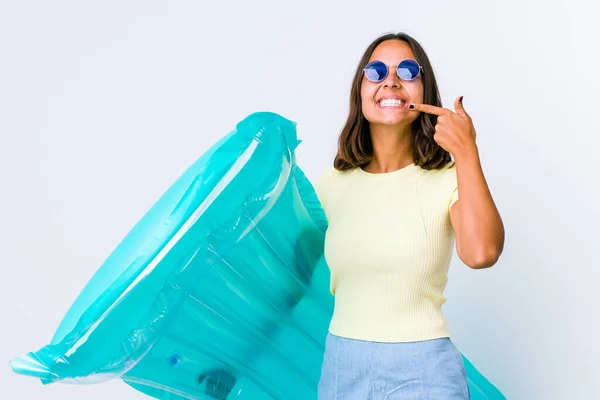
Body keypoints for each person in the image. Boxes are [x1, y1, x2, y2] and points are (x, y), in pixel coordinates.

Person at [314, 32, 505, 399]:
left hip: (425, 374)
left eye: (407, 70)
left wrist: (467, 152)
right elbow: (285, 283)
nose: (391, 80)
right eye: (376, 71)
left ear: (425, 92)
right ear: (360, 91)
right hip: (342, 371)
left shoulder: (449, 180)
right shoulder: (329, 187)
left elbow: (482, 253)